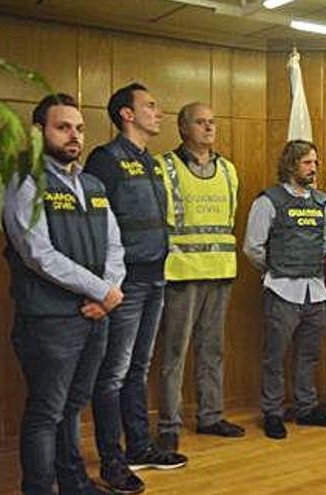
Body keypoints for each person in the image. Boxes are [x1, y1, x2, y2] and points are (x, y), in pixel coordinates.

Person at [3, 93, 125, 495]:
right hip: (50, 321)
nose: (74, 135)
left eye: (79, 127)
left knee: (74, 406)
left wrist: (109, 290)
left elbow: (114, 244)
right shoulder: (25, 181)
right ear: (40, 132)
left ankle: (73, 482)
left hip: (94, 317)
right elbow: (38, 253)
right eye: (63, 127)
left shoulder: (92, 183)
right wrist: (102, 290)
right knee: (46, 412)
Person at [85, 83, 186, 494]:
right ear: (127, 114)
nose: (158, 112)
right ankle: (112, 460)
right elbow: (94, 227)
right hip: (123, 282)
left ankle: (139, 446)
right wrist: (104, 283)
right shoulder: (105, 160)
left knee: (137, 369)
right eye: (150, 106)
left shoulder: (149, 161)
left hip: (155, 274)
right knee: (113, 373)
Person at [155, 102, 244, 454]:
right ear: (182, 128)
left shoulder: (228, 170)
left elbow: (230, 217)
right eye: (200, 122)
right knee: (175, 352)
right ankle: (168, 424)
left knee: (213, 349)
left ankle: (210, 415)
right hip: (181, 273)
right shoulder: (165, 167)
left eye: (212, 122)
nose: (208, 128)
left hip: (221, 270)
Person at [243, 139, 326, 439]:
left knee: (309, 354)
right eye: (307, 163)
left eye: (315, 162)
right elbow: (253, 247)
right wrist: (277, 270)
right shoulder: (269, 200)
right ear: (290, 165)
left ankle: (306, 408)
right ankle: (272, 412)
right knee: (275, 355)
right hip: (282, 291)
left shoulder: (321, 201)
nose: (314, 168)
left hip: (316, 291)